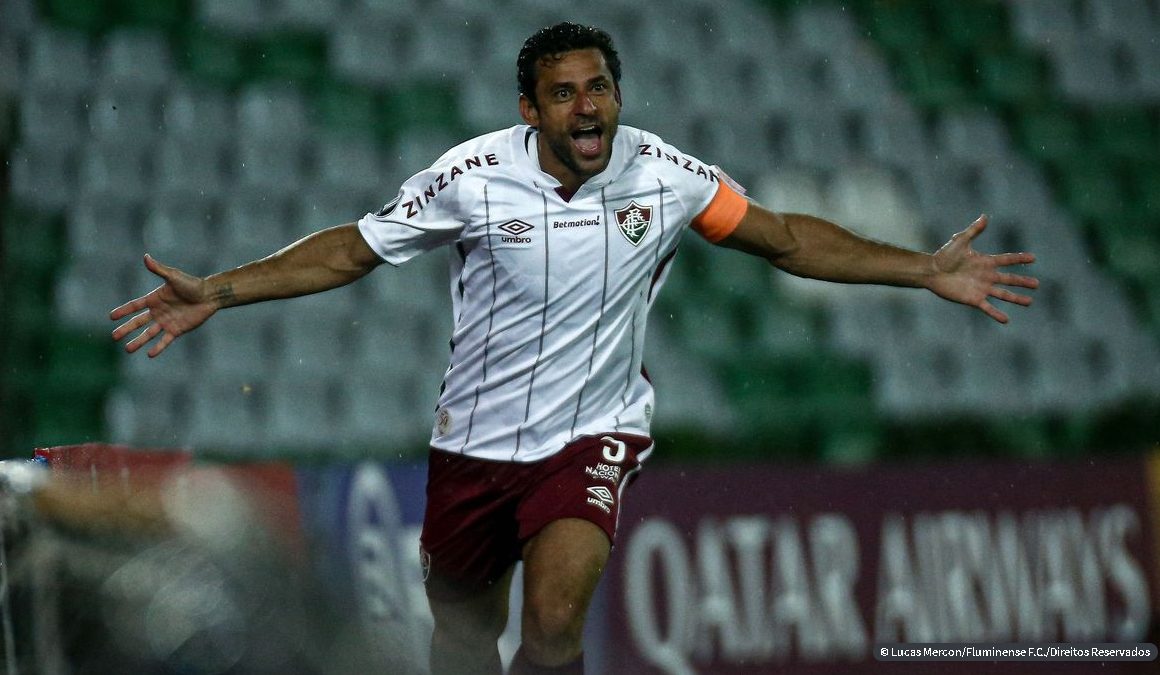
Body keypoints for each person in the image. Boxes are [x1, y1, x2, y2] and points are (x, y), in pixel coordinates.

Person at [111, 22, 1038, 675]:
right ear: (531, 109)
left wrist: (925, 270)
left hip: (590, 440)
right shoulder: (470, 178)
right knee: (465, 647)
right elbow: (354, 248)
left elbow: (787, 238)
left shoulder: (665, 174)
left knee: (554, 624)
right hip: (470, 449)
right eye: (566, 94)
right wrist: (220, 291)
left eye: (600, 88)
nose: (588, 107)